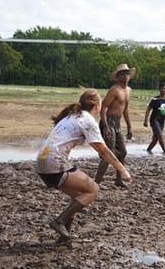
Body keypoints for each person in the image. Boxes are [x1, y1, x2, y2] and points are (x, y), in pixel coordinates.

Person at [36, 89, 131, 241]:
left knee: (78, 196)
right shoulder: (87, 120)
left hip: (42, 162)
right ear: (97, 105)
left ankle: (64, 235)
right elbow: (104, 151)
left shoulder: (72, 115)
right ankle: (59, 222)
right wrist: (122, 170)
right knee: (93, 189)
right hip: (54, 162)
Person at [94, 63, 134, 188]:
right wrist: (105, 125)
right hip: (109, 122)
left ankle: (118, 179)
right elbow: (103, 108)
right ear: (118, 77)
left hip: (117, 123)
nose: (125, 76)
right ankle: (96, 183)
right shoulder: (114, 90)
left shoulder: (128, 90)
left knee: (122, 152)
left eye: (127, 73)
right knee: (108, 154)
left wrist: (129, 126)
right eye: (122, 74)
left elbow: (126, 109)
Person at [143, 83, 165, 154]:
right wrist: (145, 120)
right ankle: (164, 151)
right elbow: (148, 109)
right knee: (160, 135)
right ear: (159, 89)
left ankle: (148, 150)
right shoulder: (155, 100)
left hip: (162, 121)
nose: (164, 90)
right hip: (154, 120)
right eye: (162, 88)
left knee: (156, 138)